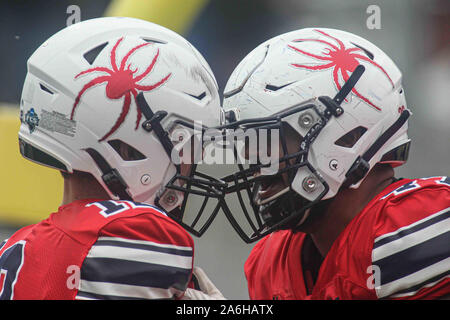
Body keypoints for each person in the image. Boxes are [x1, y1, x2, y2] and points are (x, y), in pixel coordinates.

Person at [0, 17, 225, 300]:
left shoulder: (12, 249)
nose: (191, 165)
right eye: (186, 146)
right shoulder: (136, 232)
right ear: (129, 149)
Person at [220, 28, 449, 299]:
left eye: (270, 143)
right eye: (249, 146)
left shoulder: (416, 224)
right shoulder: (272, 262)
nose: (256, 165)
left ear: (350, 136)